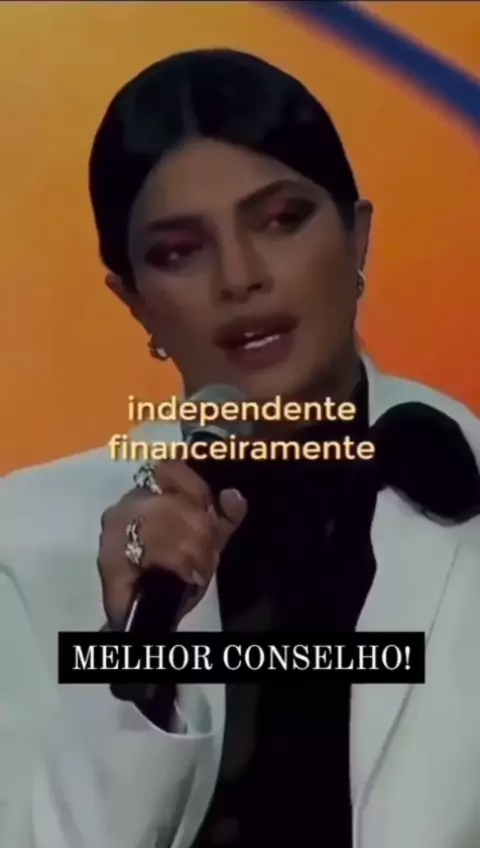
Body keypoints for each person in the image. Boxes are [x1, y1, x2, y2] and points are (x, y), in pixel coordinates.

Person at [1, 48, 480, 848]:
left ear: (358, 237)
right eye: (179, 251)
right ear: (133, 301)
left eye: (282, 219)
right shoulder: (23, 545)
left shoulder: (461, 483)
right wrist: (133, 661)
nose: (240, 276)